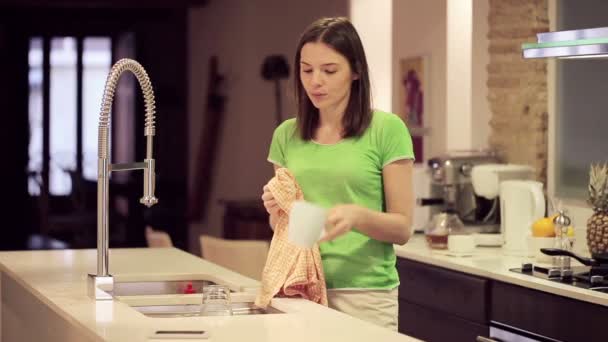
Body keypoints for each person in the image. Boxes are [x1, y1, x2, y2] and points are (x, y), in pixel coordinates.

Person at [261, 16, 415, 331]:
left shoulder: (387, 130)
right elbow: (284, 227)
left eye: (329, 71)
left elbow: (403, 228)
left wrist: (357, 216)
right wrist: (276, 211)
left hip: (365, 294)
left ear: (356, 71)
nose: (315, 81)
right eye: (306, 70)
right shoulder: (285, 135)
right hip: (298, 290)